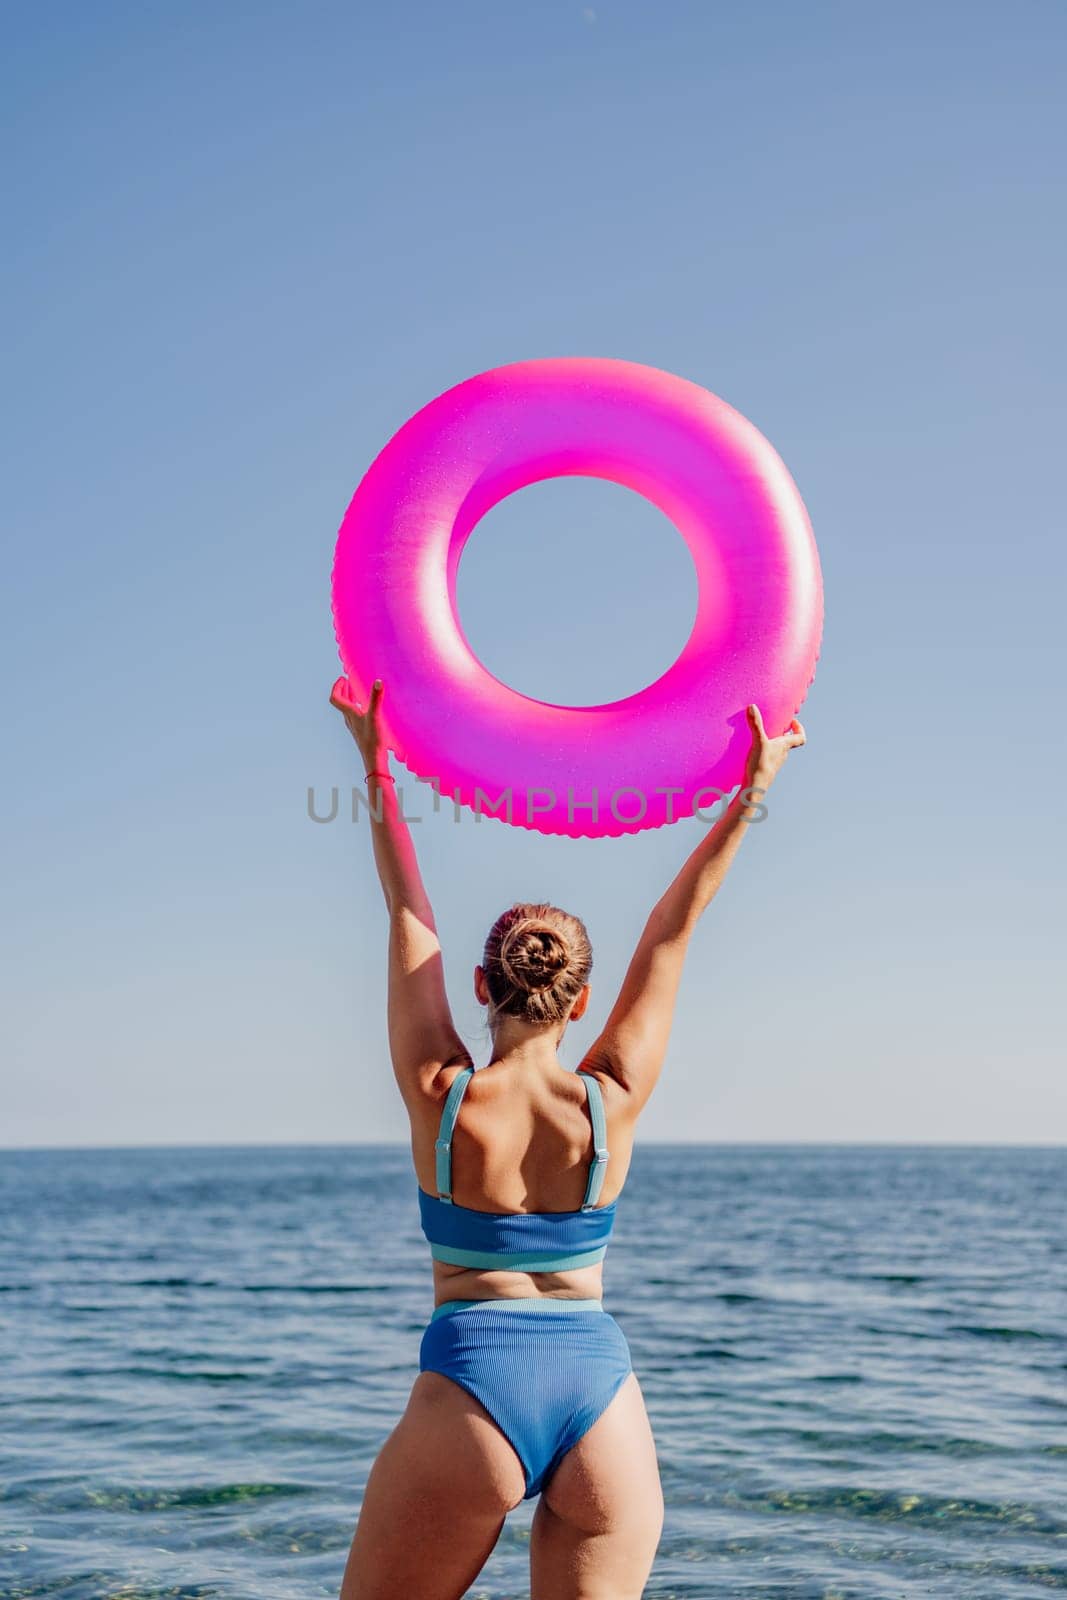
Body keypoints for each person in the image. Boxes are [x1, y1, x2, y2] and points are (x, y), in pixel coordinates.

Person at [330, 673, 805, 1600]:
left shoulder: (441, 1094)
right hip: (600, 1401)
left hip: (470, 1386)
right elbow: (671, 935)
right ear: (580, 1001)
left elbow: (406, 911)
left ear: (479, 988)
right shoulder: (611, 1097)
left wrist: (375, 762)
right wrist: (752, 790)